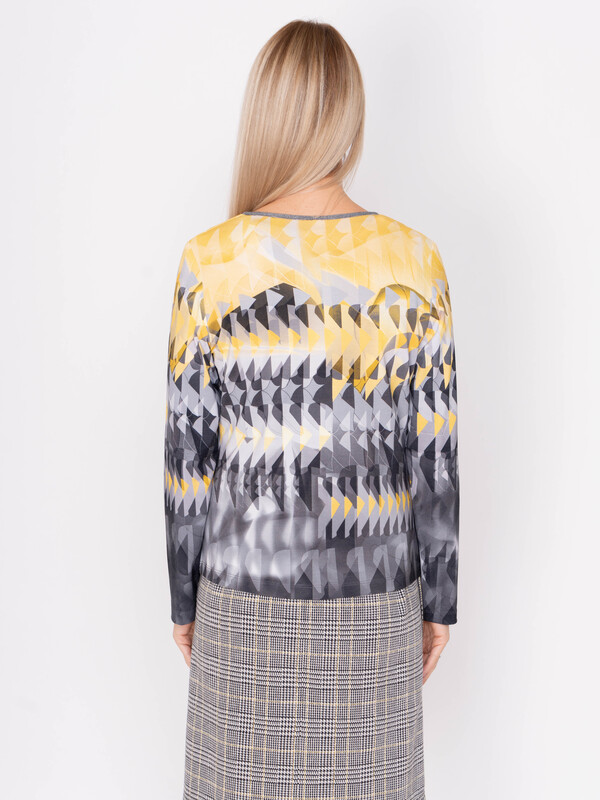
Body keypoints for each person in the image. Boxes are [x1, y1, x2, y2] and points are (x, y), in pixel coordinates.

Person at [164, 18, 460, 800]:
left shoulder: (210, 262)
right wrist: (439, 600)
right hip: (376, 598)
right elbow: (433, 453)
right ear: (349, 117)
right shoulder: (414, 260)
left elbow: (188, 457)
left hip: (241, 601)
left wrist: (184, 598)